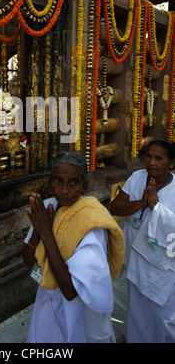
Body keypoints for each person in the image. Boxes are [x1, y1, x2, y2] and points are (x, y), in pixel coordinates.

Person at [22, 152, 124, 343]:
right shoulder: (47, 207)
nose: (64, 190)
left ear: (84, 184)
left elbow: (70, 292)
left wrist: (46, 233)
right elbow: (28, 262)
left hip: (78, 309)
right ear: (50, 182)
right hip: (47, 299)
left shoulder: (91, 221)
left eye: (73, 183)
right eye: (58, 181)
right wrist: (37, 230)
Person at [110, 139, 175, 343]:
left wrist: (156, 207)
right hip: (136, 258)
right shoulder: (137, 177)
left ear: (171, 163)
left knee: (163, 315)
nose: (152, 162)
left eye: (158, 158)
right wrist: (140, 203)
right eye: (148, 156)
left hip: (164, 265)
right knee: (137, 309)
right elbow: (115, 208)